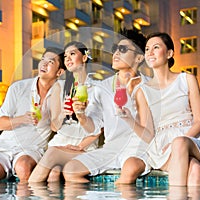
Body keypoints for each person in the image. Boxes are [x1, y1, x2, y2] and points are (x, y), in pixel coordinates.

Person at [134, 32, 200, 186]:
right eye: (146, 49)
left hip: (192, 138)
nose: (149, 52)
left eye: (156, 47)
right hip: (162, 146)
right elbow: (148, 132)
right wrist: (126, 118)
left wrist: (178, 142)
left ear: (169, 53)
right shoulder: (142, 90)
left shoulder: (187, 79)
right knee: (195, 170)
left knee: (179, 143)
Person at [62, 30, 151, 184]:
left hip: (140, 148)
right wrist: (81, 115)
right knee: (70, 171)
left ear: (139, 57)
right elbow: (94, 127)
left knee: (130, 168)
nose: (116, 53)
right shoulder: (102, 87)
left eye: (122, 49)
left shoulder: (150, 86)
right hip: (111, 148)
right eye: (115, 48)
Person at [0, 47, 66, 183]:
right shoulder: (19, 88)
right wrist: (22, 119)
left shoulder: (63, 91)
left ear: (60, 71)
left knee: (23, 168)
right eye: (42, 60)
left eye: (50, 62)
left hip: (31, 149)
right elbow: (0, 124)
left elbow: (55, 126)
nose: (44, 64)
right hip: (4, 146)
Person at [28, 41, 101, 183]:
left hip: (84, 146)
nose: (67, 58)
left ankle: (27, 194)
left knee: (52, 153)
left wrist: (79, 146)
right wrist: (62, 113)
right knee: (53, 174)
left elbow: (100, 128)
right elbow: (54, 127)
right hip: (62, 141)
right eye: (66, 55)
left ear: (84, 58)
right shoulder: (59, 87)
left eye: (72, 54)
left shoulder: (97, 88)